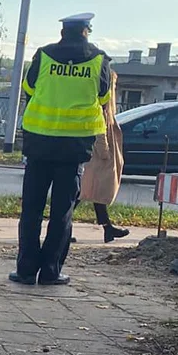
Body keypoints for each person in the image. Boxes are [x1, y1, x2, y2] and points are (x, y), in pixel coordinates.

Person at [11, 13, 111, 287]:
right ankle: (51, 271)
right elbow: (103, 97)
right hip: (73, 147)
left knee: (31, 209)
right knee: (62, 212)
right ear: (86, 31)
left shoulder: (44, 55)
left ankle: (26, 270)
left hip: (39, 144)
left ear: (63, 31)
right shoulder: (98, 60)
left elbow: (29, 87)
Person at [78, 66, 129, 242]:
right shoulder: (101, 104)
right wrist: (104, 150)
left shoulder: (103, 104)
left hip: (96, 150)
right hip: (97, 151)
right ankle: (62, 227)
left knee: (93, 189)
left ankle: (107, 227)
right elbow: (99, 126)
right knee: (84, 190)